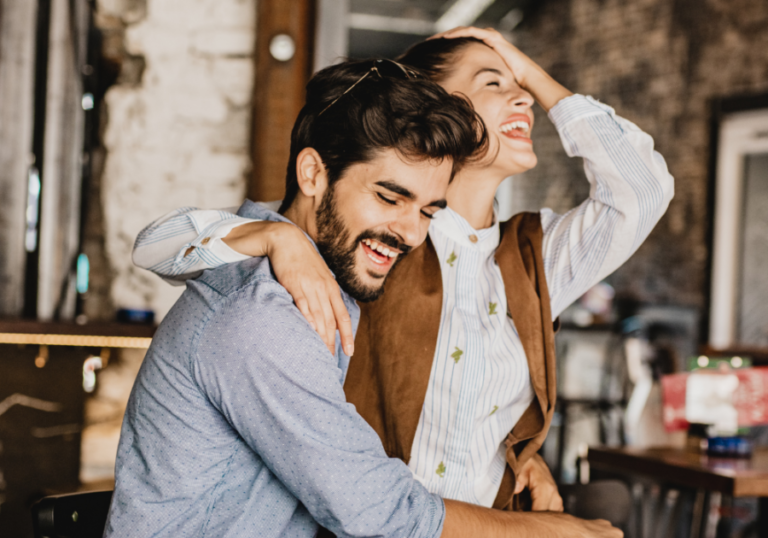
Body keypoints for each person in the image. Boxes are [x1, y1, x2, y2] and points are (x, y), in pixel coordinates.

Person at [136, 27, 672, 517]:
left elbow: (643, 190)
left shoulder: (534, 256)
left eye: (521, 81)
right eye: (493, 81)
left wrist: (528, 70)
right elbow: (158, 245)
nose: (523, 96)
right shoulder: (372, 237)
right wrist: (276, 236)